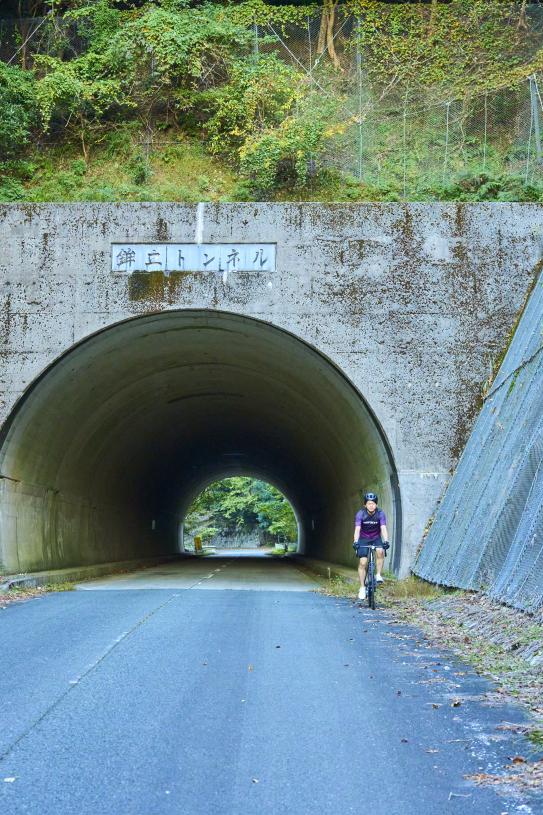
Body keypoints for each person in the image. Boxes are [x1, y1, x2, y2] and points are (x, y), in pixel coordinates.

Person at [353, 492, 390, 601]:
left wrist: (386, 540)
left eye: (373, 503)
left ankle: (378, 575)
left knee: (380, 551)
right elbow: (357, 529)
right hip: (363, 539)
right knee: (363, 562)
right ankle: (362, 587)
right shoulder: (360, 514)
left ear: (376, 505)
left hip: (376, 538)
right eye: (369, 503)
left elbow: (383, 527)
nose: (371, 505)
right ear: (365, 505)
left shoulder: (380, 514)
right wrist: (355, 541)